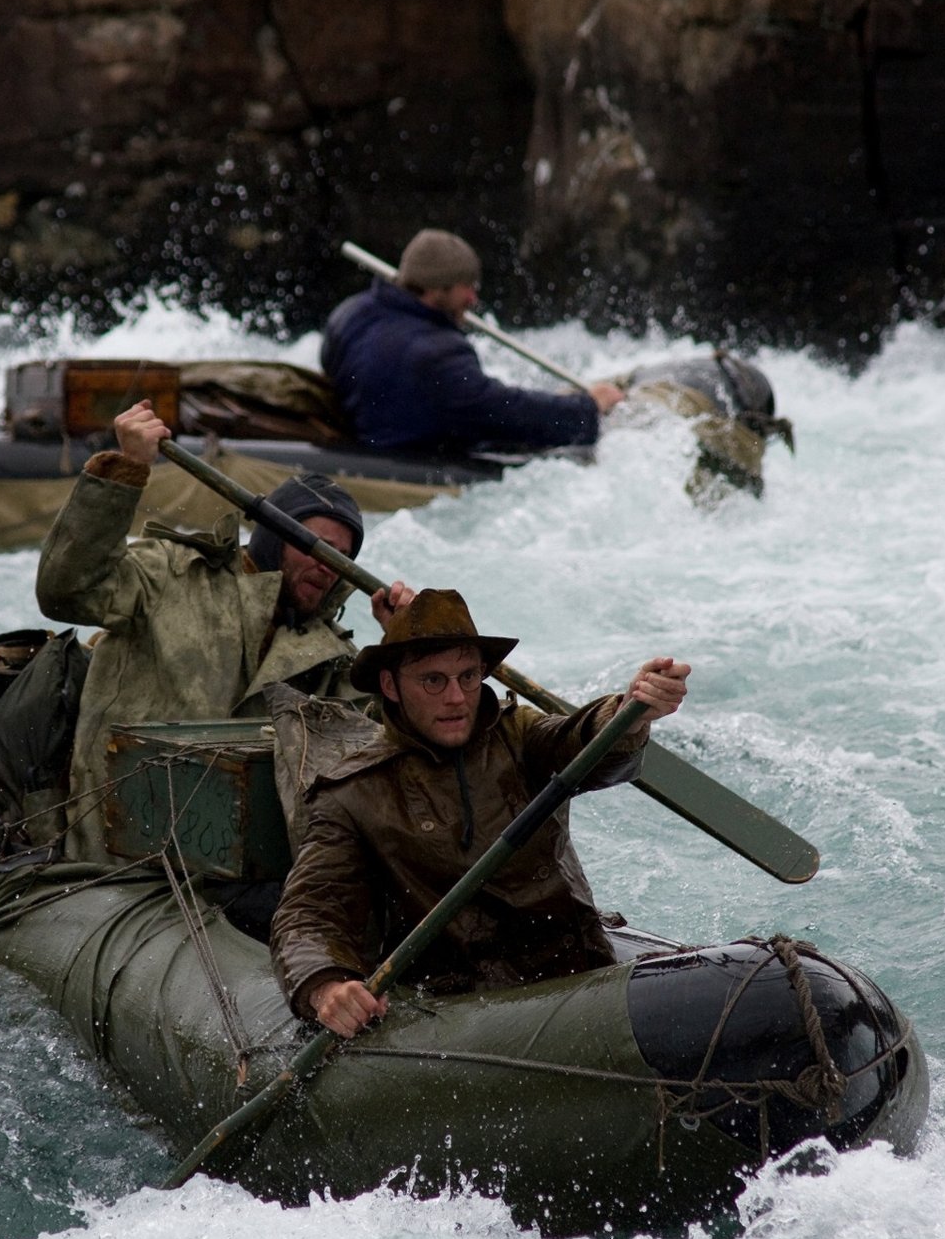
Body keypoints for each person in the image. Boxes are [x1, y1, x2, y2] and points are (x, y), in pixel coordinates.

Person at [270, 587, 691, 1037]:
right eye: (433, 681)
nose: (456, 697)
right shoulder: (352, 793)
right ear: (391, 686)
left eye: (468, 677)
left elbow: (584, 743)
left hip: (571, 968)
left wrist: (629, 712)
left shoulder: (518, 734)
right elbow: (310, 913)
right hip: (459, 1006)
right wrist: (325, 987)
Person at [35, 400, 413, 862]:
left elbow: (384, 743)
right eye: (313, 545)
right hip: (115, 855)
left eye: (339, 556)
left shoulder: (328, 657)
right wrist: (126, 470)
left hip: (231, 870)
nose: (325, 565)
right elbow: (65, 590)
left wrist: (407, 646)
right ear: (273, 537)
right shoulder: (171, 575)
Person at [320, 229, 626, 452]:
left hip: (370, 430)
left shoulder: (349, 315)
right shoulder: (438, 354)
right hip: (409, 452)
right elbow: (504, 412)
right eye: (465, 287)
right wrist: (586, 408)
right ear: (436, 290)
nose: (472, 298)